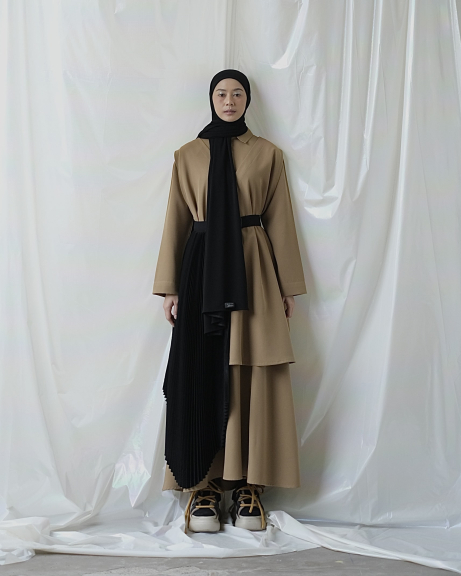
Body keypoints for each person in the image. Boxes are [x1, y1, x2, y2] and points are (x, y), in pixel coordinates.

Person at [153, 69, 306, 534]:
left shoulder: (267, 154)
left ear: (248, 100)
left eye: (238, 93)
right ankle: (201, 483)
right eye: (221, 93)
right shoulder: (187, 155)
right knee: (200, 369)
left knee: (250, 369)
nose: (229, 100)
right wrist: (170, 286)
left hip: (253, 269)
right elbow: (176, 220)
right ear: (211, 99)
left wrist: (286, 285)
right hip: (201, 272)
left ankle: (246, 484)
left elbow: (280, 219)